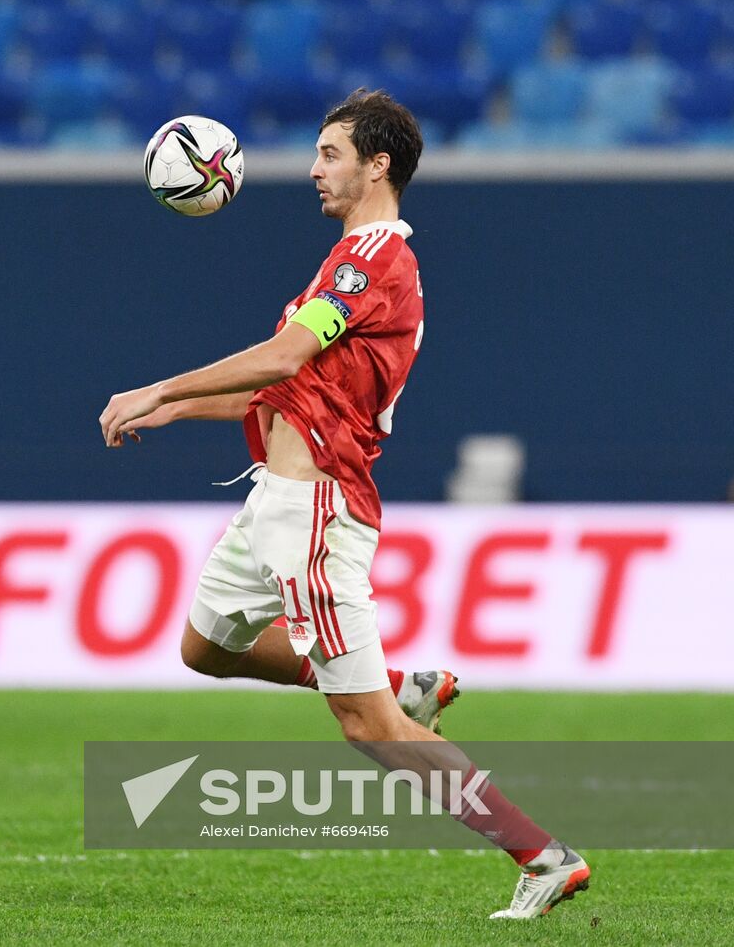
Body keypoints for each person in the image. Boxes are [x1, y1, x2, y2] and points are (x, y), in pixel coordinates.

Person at [99, 90, 589, 919]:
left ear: (378, 165)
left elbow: (285, 353)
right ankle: (398, 684)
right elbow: (290, 385)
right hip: (273, 505)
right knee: (207, 647)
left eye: (330, 153)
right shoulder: (345, 262)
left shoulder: (375, 261)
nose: (314, 169)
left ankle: (542, 855)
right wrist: (179, 409)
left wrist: (158, 385)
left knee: (367, 729)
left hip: (319, 505)